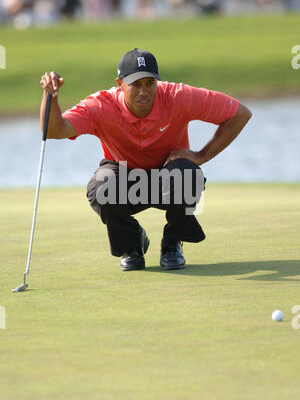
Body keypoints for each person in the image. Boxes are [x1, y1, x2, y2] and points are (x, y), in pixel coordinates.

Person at [39, 48, 252, 271]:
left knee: (187, 174)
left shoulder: (177, 96)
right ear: (120, 83)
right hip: (126, 181)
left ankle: (172, 243)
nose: (144, 91)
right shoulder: (101, 105)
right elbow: (54, 130)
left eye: (150, 83)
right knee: (101, 187)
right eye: (136, 84)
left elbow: (239, 114)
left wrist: (202, 156)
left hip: (170, 179)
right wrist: (50, 96)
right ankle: (133, 244)